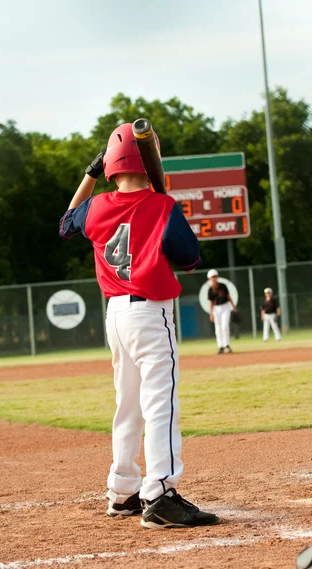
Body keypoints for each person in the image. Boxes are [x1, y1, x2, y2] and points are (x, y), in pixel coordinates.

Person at [59, 123, 219, 529]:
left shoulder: (94, 207)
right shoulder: (162, 206)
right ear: (151, 163)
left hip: (115, 316)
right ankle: (160, 494)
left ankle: (123, 491)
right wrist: (166, 204)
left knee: (127, 405)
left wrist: (89, 174)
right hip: (150, 314)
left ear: (111, 164)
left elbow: (64, 224)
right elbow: (191, 259)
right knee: (160, 403)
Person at [207, 269, 238, 354]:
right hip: (216, 309)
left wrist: (233, 306)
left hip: (225, 307)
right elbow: (211, 302)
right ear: (209, 278)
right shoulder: (210, 289)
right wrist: (211, 313)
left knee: (225, 326)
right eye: (212, 277)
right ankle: (220, 346)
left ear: (217, 277)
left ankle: (226, 345)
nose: (214, 278)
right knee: (218, 328)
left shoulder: (223, 286)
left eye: (215, 276)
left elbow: (228, 296)